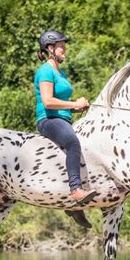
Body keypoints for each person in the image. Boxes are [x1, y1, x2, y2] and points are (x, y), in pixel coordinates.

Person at [34, 30, 96, 205]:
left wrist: (78, 107)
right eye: (61, 47)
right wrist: (74, 104)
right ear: (50, 48)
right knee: (73, 143)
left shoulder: (62, 74)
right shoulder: (45, 71)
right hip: (48, 120)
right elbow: (48, 102)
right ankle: (76, 190)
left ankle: (73, 207)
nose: (64, 50)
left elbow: (61, 102)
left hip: (63, 119)